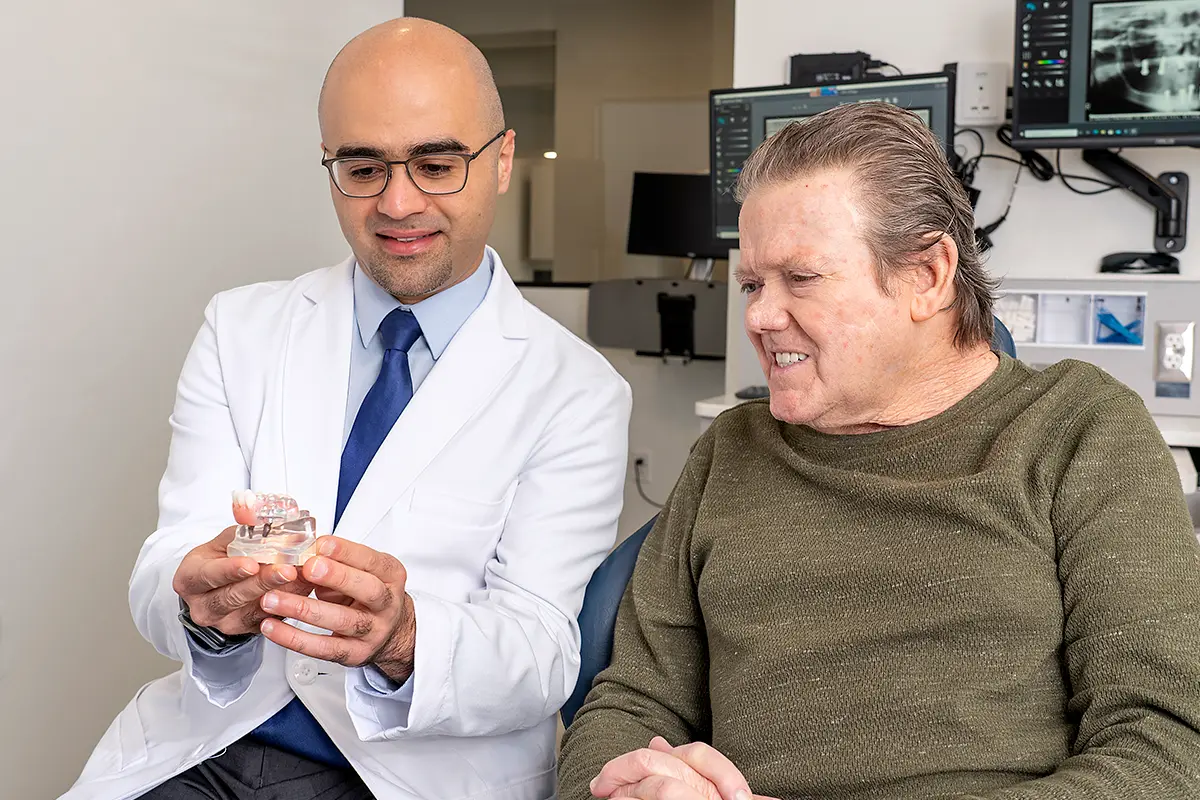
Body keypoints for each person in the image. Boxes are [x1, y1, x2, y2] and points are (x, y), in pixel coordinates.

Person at [557, 101, 1200, 800]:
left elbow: (1163, 750)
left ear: (927, 275)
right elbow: (629, 702)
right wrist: (627, 788)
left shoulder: (1079, 431)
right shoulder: (731, 451)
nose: (760, 317)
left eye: (800, 279)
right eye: (751, 284)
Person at [64, 18, 631, 800]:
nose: (398, 203)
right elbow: (167, 566)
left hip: (410, 772)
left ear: (501, 161)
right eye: (362, 167)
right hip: (208, 747)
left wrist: (403, 638)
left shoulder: (577, 391)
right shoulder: (242, 331)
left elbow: (539, 655)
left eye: (436, 163)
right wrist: (201, 604)